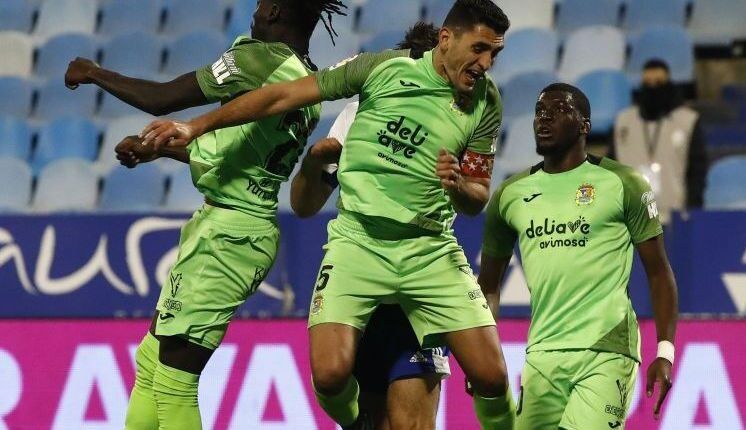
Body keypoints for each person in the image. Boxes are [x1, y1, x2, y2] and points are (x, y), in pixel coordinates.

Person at [138, 1, 517, 428]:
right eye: (480, 49)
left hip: (428, 251)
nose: (486, 63)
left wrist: (459, 186)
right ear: (446, 40)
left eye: (494, 54)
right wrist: (197, 126)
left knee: (492, 375)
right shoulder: (377, 75)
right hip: (359, 245)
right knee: (330, 374)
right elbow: (284, 106)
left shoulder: (486, 103)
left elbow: (477, 195)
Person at [64, 1, 347, 429]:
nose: (254, 9)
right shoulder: (303, 82)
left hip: (229, 237)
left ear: (273, 11)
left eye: (261, 3)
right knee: (152, 360)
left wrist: (93, 72)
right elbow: (234, 157)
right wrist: (156, 149)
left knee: (176, 381)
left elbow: (160, 100)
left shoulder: (259, 60)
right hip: (233, 227)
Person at [479, 83, 679, 429]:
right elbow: (489, 287)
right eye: (540, 111)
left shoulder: (623, 183)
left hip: (606, 350)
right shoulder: (510, 195)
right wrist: (482, 353)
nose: (545, 118)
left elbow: (659, 273)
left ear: (584, 126)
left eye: (559, 110)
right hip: (542, 354)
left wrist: (665, 352)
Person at [294, 22, 450, 430]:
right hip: (359, 288)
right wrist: (313, 165)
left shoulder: (460, 116)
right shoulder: (359, 112)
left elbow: (471, 201)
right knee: (353, 404)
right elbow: (305, 206)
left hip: (417, 293)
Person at [613, 59, 708, 224]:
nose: (653, 88)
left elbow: (697, 171)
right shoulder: (623, 122)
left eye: (658, 83)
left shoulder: (687, 121)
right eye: (647, 83)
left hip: (675, 217)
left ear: (669, 85)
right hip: (631, 219)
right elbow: (612, 168)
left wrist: (692, 211)